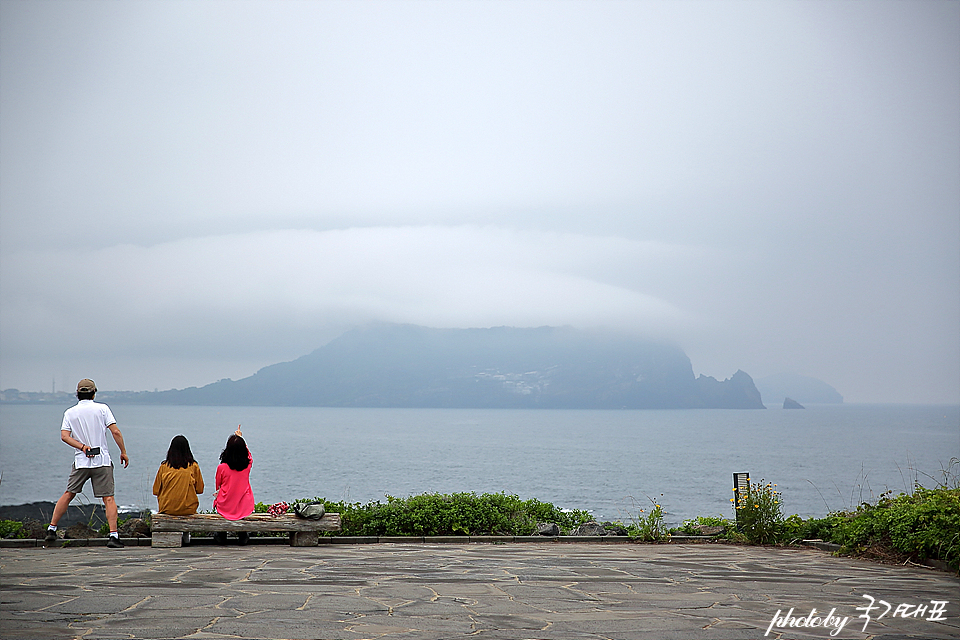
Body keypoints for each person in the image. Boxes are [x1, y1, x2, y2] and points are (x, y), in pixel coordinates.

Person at [46, 379, 129, 548]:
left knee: (68, 493)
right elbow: (115, 432)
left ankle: (51, 529)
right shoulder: (102, 409)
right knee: (109, 498)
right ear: (94, 393)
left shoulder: (70, 413)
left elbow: (64, 436)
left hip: (81, 461)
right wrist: (123, 452)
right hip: (102, 460)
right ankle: (113, 536)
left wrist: (82, 447)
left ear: (77, 393)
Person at [153, 435, 204, 544]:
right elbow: (200, 489)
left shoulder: (164, 466)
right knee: (186, 507)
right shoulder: (193, 466)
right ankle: (186, 535)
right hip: (188, 509)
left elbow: (156, 490)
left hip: (167, 508)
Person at [213, 426, 254, 544]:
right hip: (244, 505)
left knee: (219, 499)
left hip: (225, 505)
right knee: (243, 505)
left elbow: (218, 486)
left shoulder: (221, 468)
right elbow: (249, 456)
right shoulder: (247, 465)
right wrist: (241, 438)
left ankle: (221, 535)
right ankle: (243, 534)